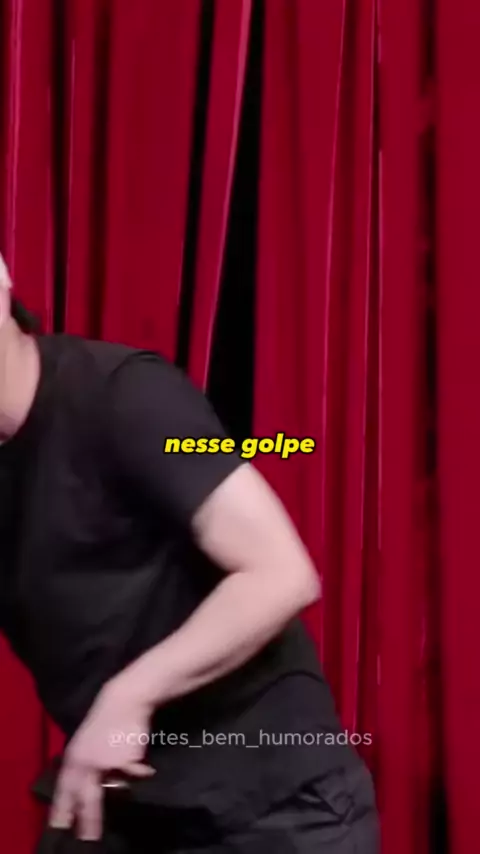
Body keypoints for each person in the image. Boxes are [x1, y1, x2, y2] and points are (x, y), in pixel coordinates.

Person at [0, 256, 379, 853]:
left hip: (272, 802)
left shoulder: (128, 395)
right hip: (125, 800)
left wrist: (129, 696)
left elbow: (280, 573)